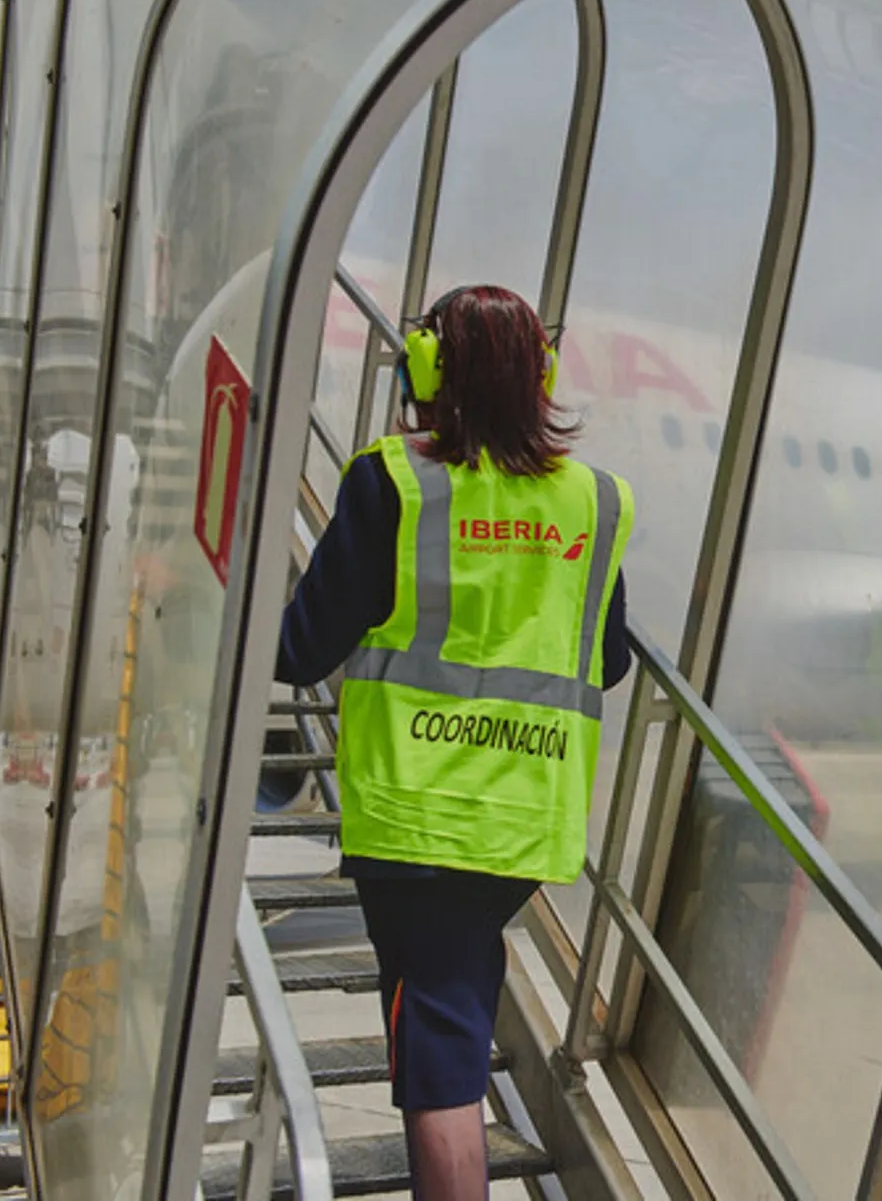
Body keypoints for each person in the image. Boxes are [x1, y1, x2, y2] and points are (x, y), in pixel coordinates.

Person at [275, 284, 634, 1199]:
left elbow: (298, 650)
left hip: (418, 818)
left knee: (436, 1059)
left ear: (428, 369)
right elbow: (612, 658)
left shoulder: (392, 480)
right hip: (525, 821)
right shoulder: (592, 500)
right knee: (453, 1016)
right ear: (538, 375)